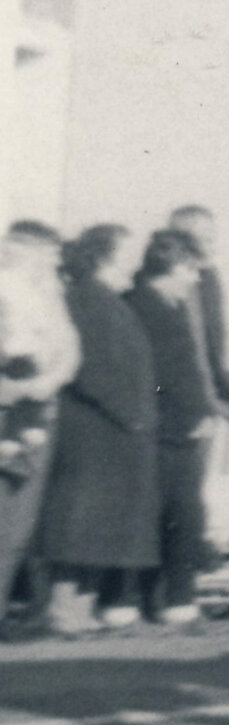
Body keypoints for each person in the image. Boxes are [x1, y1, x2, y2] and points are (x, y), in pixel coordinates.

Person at [36, 226, 160, 635]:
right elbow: (90, 367)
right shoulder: (88, 299)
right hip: (96, 431)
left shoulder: (109, 299)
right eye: (129, 251)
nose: (136, 261)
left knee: (101, 530)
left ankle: (80, 608)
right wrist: (131, 413)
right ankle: (62, 609)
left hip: (117, 432)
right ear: (105, 255)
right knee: (80, 528)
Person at [124, 229, 223, 626]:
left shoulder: (168, 304)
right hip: (166, 428)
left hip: (178, 427)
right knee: (176, 513)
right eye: (191, 270)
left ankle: (165, 598)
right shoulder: (143, 306)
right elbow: (159, 375)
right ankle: (169, 600)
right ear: (171, 266)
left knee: (178, 513)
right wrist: (193, 414)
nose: (196, 279)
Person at [0, 221, 79, 627]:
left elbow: (70, 351)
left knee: (17, 525)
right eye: (47, 254)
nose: (54, 262)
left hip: (38, 413)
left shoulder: (51, 296)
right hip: (6, 410)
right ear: (22, 250)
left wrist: (47, 381)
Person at [164, 205, 229, 424]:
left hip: (204, 400)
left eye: (211, 239)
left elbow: (214, 349)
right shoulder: (167, 284)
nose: (211, 247)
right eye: (203, 239)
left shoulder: (208, 278)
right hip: (179, 405)